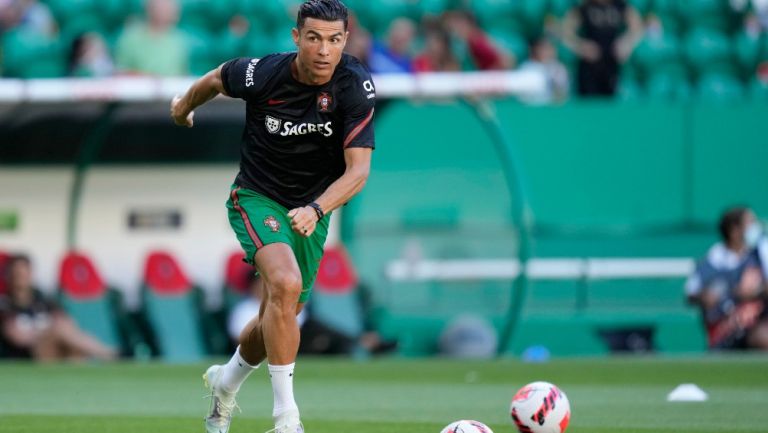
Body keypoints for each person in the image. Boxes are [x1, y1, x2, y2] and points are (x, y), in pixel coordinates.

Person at [169, 1, 375, 432]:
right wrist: (183, 106)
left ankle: (225, 382)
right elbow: (214, 79)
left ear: (345, 42)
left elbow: (358, 172)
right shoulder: (263, 73)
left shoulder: (354, 85)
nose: (324, 49)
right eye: (314, 37)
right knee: (284, 283)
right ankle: (286, 419)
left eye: (334, 40)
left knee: (280, 314)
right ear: (297, 37)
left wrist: (317, 208)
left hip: (312, 210)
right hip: (257, 197)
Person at [0, 254, 117, 361]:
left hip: (56, 346)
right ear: (9, 275)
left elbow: (68, 323)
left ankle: (91, 362)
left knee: (70, 341)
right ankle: (107, 353)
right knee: (58, 329)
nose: (21, 277)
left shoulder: (43, 299)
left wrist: (56, 332)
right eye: (17, 273)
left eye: (24, 273)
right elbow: (18, 337)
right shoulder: (5, 303)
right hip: (28, 354)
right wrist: (48, 332)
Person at [685, 207, 768, 350]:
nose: (755, 227)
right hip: (726, 330)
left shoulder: (759, 254)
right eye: (750, 223)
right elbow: (691, 292)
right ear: (734, 230)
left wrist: (757, 291)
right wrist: (705, 296)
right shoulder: (713, 260)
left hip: (757, 321)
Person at [561, 0, 643, 96]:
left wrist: (626, 43)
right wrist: (581, 46)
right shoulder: (585, 7)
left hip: (613, 62)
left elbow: (637, 28)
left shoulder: (621, 6)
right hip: (589, 65)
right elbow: (565, 32)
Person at [115, 0, 189, 76]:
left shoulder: (178, 39)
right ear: (149, 8)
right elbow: (120, 72)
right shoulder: (130, 37)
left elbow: (182, 74)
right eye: (161, 6)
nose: (163, 11)